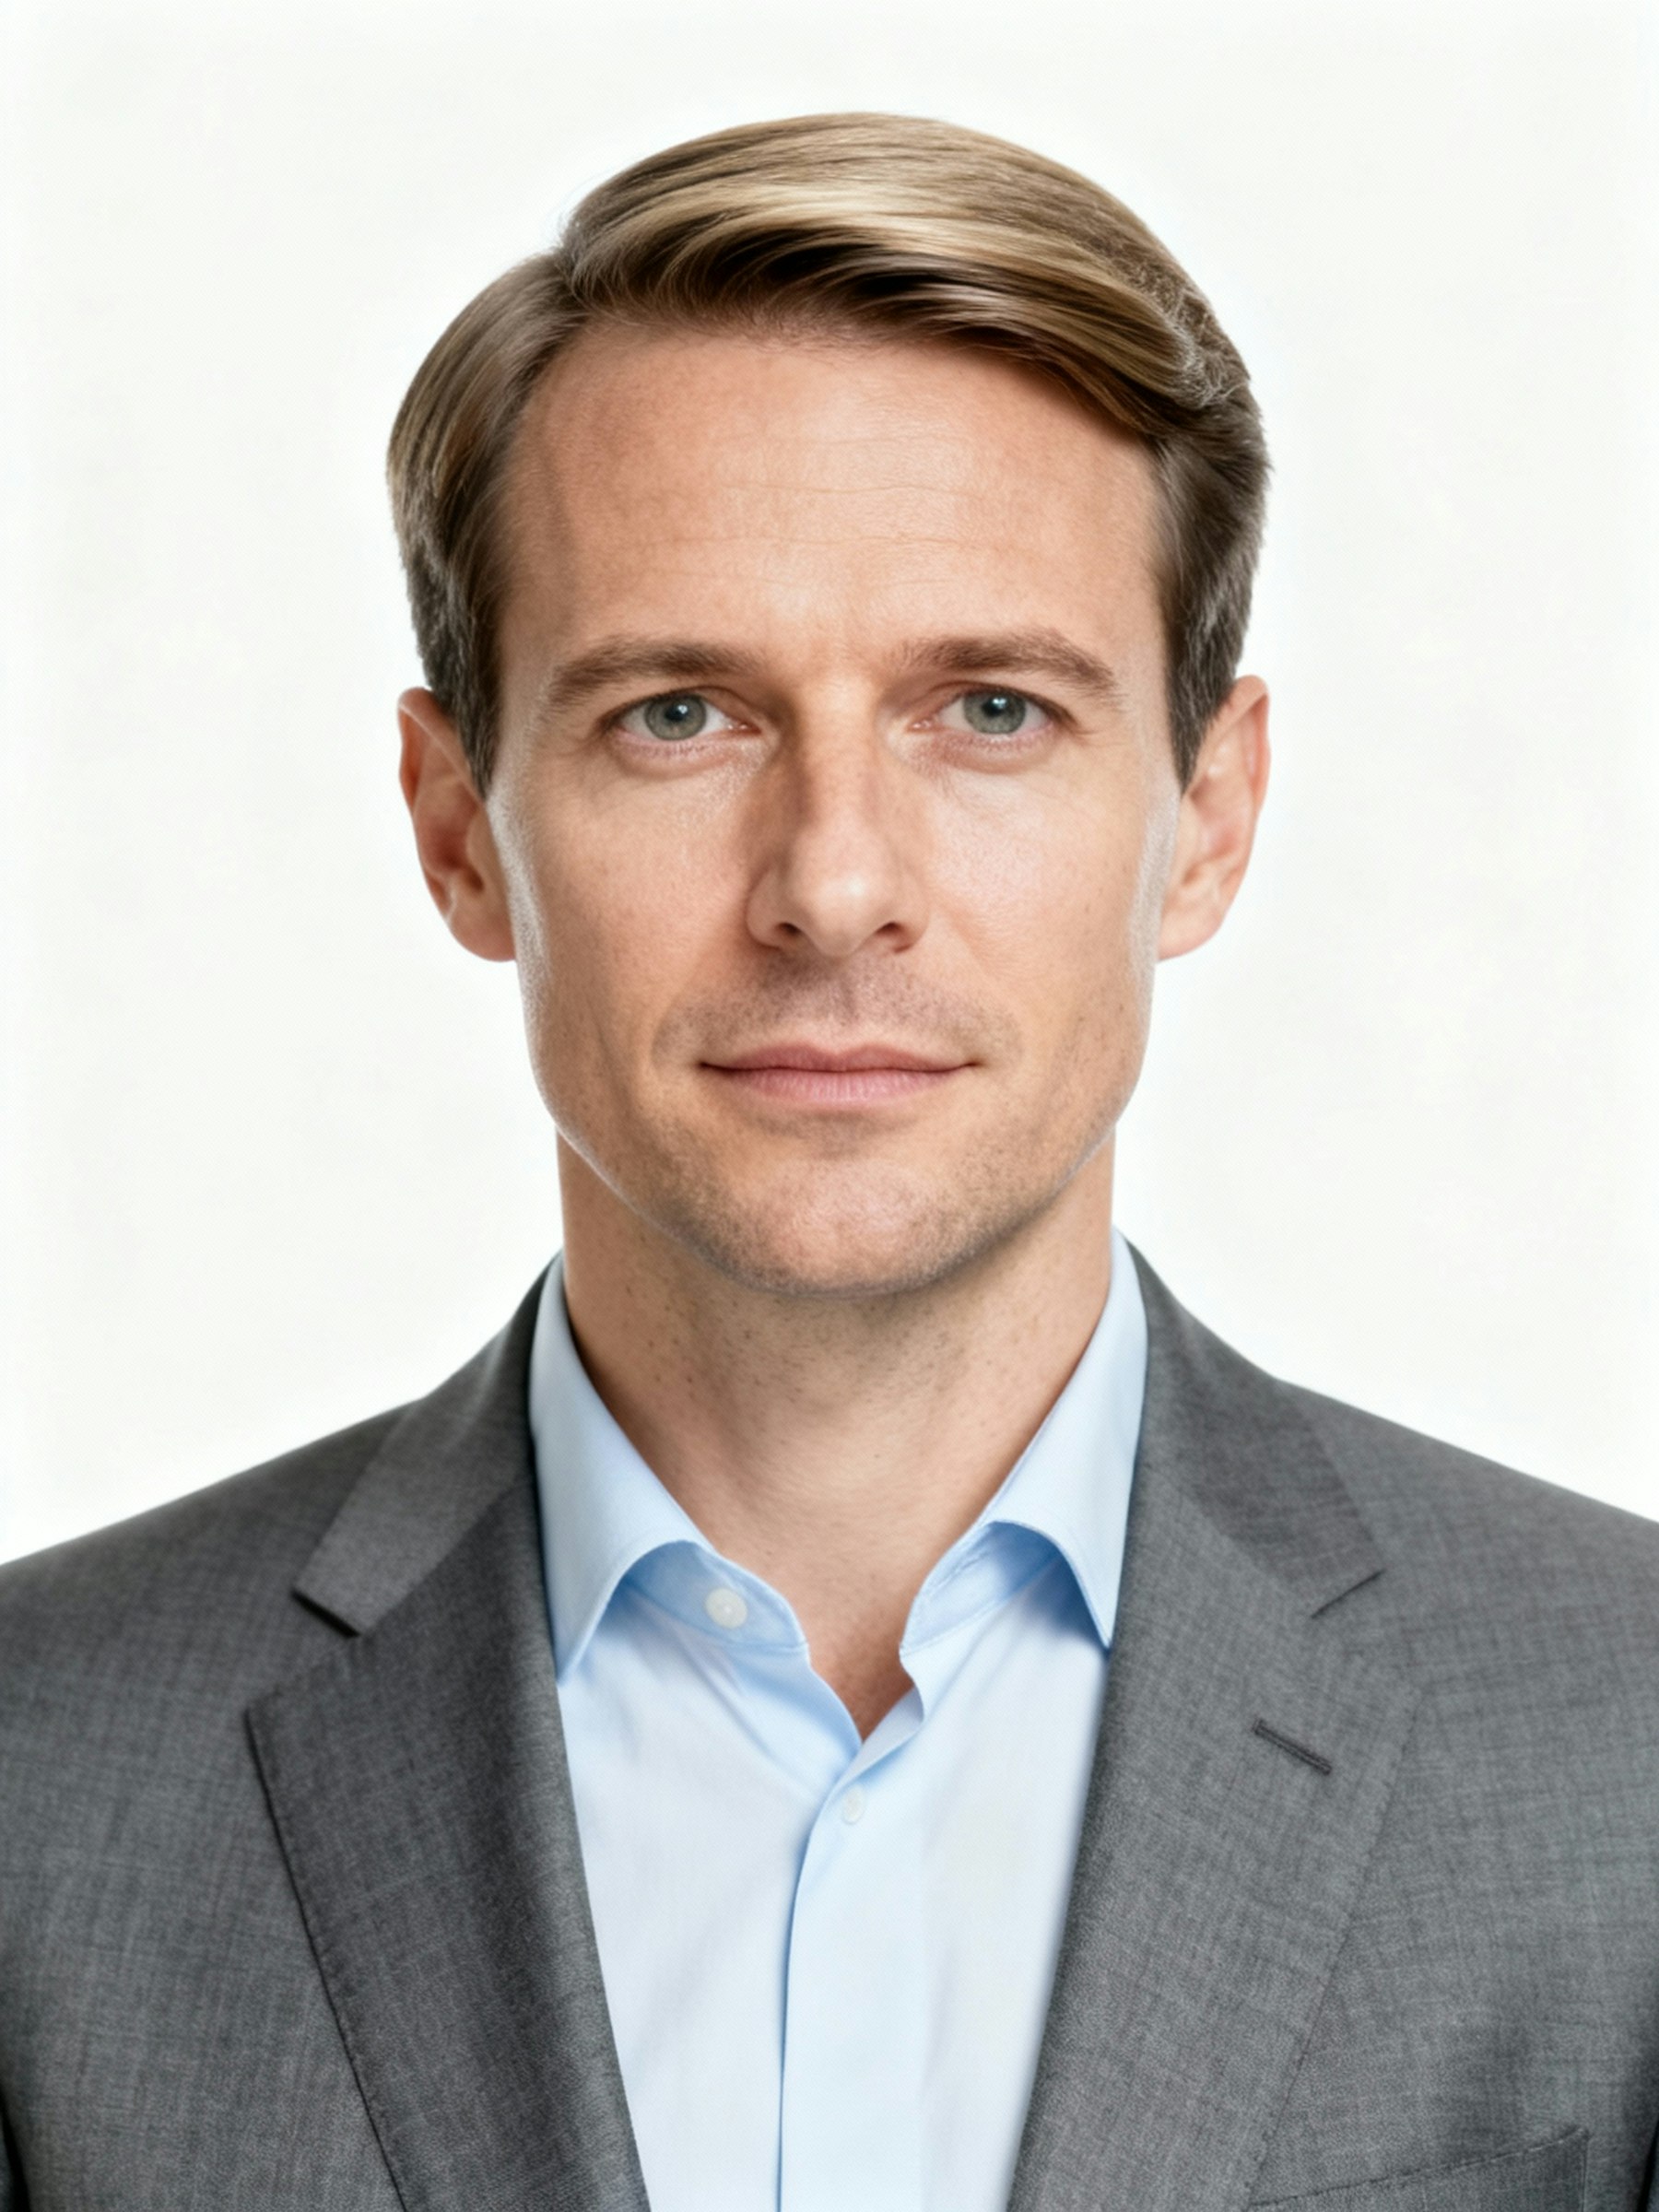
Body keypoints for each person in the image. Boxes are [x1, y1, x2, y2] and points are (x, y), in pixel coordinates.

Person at [1, 111, 1655, 2212]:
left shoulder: (1625, 1751)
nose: (836, 886)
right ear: (454, 826)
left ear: (1212, 816)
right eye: (681, 714)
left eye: (990, 711)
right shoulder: (39, 1781)